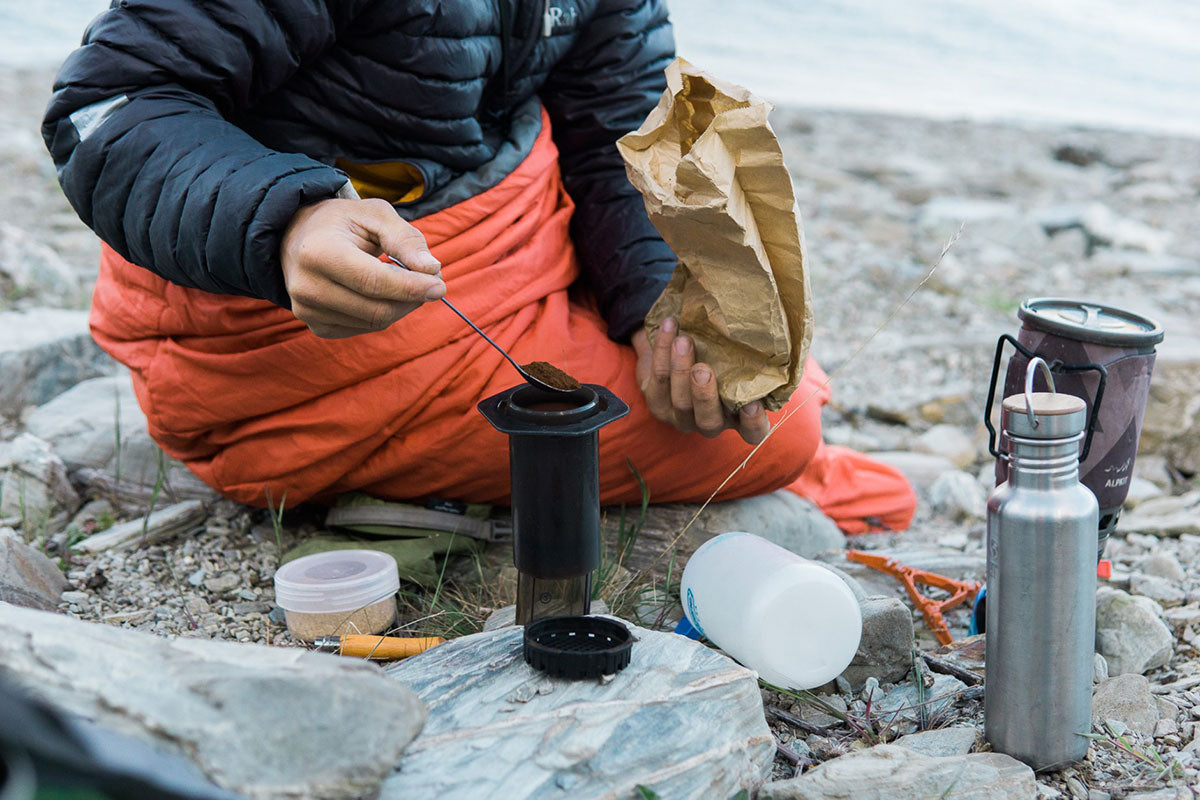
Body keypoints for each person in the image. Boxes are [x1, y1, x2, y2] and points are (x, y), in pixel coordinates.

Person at [43, 0, 915, 533]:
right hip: (290, 314)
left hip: (495, 238)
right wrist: (288, 224)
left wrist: (661, 307)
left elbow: (616, 130)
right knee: (786, 432)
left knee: (748, 377)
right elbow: (111, 107)